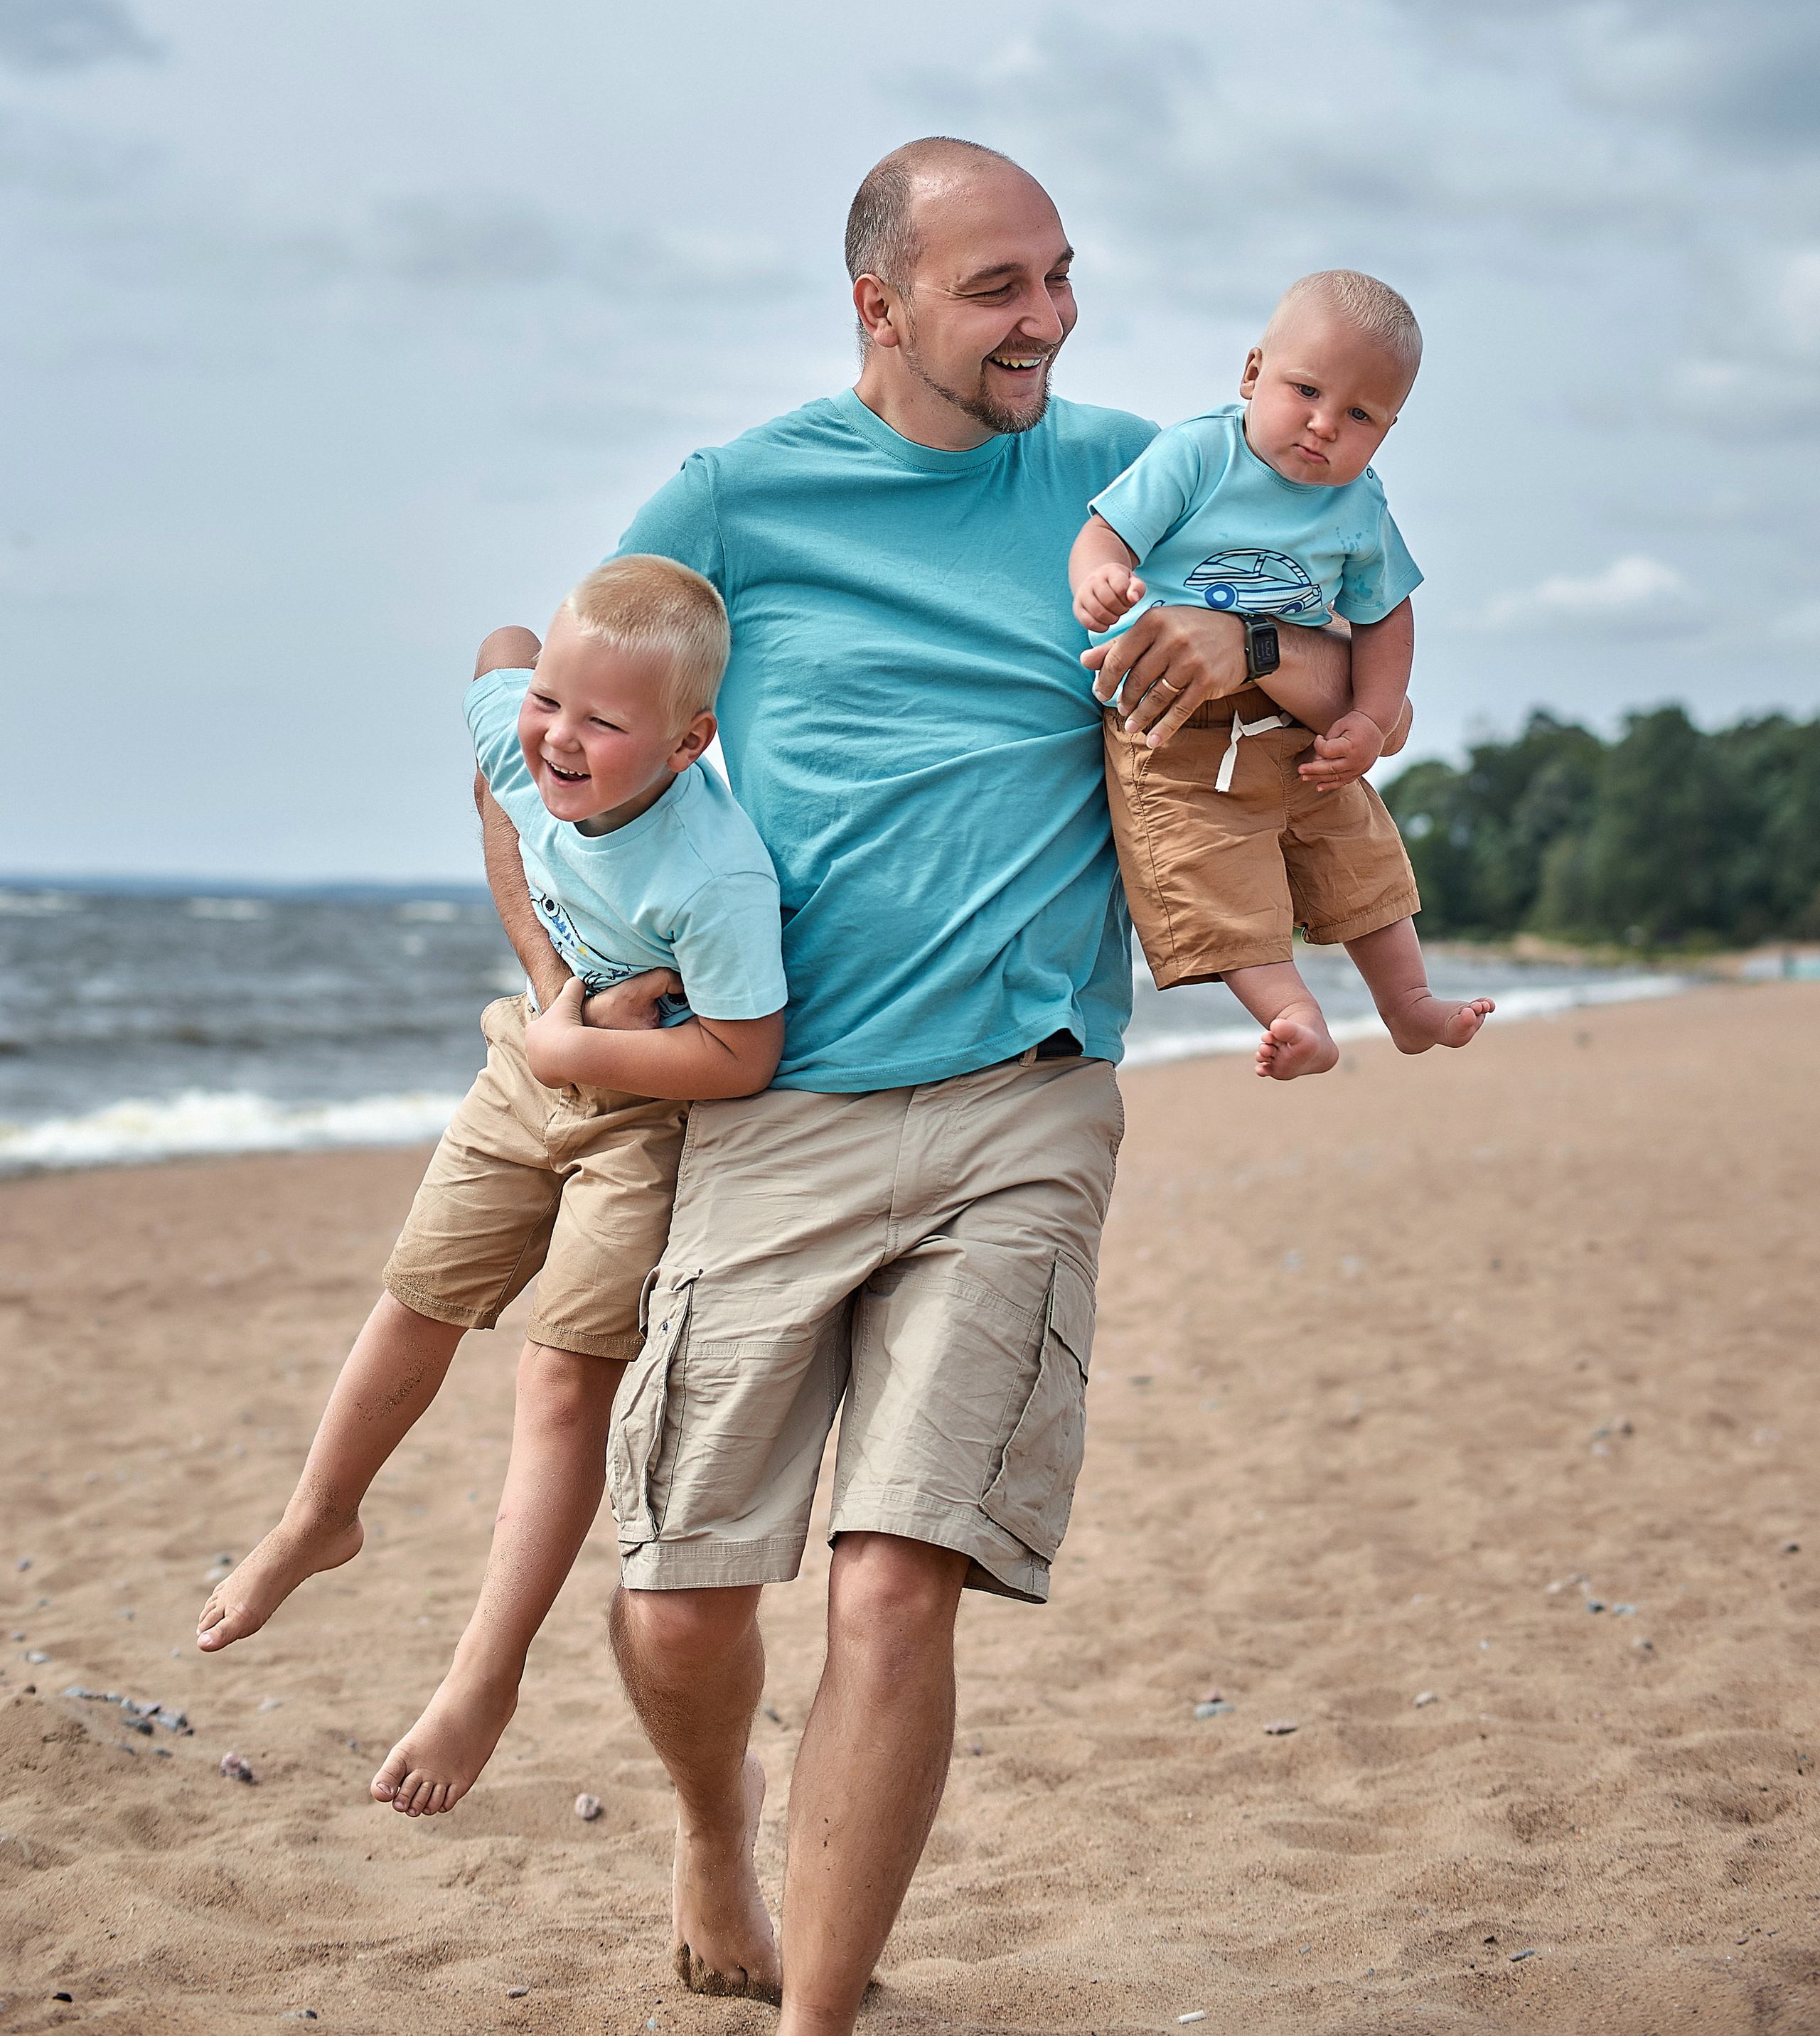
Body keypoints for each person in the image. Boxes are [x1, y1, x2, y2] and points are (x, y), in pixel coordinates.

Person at [477, 139, 1398, 2036]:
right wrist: (568, 989)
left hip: (1026, 1099)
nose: (1049, 318)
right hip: (774, 1110)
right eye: (1000, 288)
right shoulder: (738, 499)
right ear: (878, 304)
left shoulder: (1154, 474)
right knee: (678, 1598)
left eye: (1061, 275)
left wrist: (1258, 646)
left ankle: (821, 2015)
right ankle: (716, 1833)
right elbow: (546, 732)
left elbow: (1365, 667)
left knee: (898, 1585)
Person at [197, 556, 787, 1821]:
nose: (560, 738)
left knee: (560, 1371)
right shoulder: (527, 741)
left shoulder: (715, 872)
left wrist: (586, 1045)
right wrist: (550, 1009)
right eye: (553, 701)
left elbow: (745, 1052)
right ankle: (319, 1514)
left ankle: (486, 1667)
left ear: (689, 743)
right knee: (415, 1295)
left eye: (603, 720)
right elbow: (500, 649)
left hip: (647, 1120)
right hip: (523, 1070)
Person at [1070, 269, 1493, 1081]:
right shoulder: (1200, 452)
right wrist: (1100, 577)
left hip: (1295, 724)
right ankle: (1293, 1014)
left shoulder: (1359, 504)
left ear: (1388, 431)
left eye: (1360, 415)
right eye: (1305, 390)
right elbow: (1106, 529)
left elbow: (1384, 616)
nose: (1325, 425)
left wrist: (1370, 719)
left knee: (1358, 853)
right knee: (1210, 873)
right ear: (1252, 373)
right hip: (1174, 727)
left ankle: (1408, 1006)